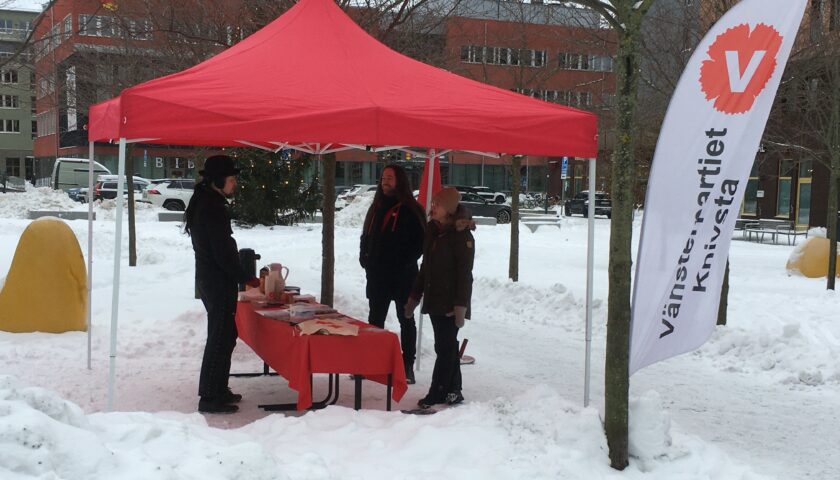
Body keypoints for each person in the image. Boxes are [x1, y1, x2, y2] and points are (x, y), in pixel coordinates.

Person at [184, 155, 259, 414]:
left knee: (226, 334)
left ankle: (218, 388)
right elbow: (223, 253)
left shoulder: (206, 200)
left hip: (211, 278)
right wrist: (246, 277)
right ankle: (209, 396)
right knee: (221, 336)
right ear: (218, 181)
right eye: (231, 179)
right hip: (216, 280)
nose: (234, 184)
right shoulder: (211, 207)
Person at [405, 187, 475, 408]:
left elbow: (465, 275)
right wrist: (414, 298)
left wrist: (460, 307)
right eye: (433, 203)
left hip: (451, 303)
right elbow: (425, 268)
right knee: (447, 346)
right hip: (434, 299)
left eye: (438, 204)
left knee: (444, 348)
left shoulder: (462, 237)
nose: (433, 207)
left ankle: (438, 391)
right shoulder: (433, 231)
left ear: (450, 210)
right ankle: (454, 390)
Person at [360, 164, 426, 384]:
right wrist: (365, 257)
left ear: (400, 181)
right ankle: (372, 362)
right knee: (374, 321)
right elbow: (366, 235)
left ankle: (407, 365)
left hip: (403, 277)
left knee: (405, 320)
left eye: (389, 177)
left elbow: (419, 245)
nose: (385, 181)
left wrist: (401, 263)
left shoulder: (411, 209)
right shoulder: (376, 206)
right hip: (377, 276)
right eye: (383, 177)